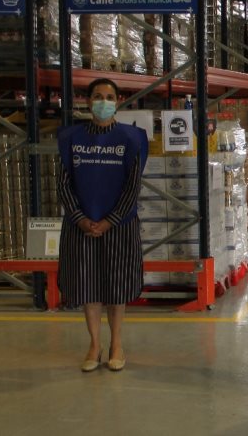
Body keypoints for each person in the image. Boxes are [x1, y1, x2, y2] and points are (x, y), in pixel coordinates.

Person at [57, 78, 149, 373]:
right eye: (98, 96)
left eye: (109, 96)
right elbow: (63, 183)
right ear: (88, 101)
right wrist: (80, 218)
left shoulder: (132, 139)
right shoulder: (71, 138)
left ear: (118, 100)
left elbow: (133, 186)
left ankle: (116, 343)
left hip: (119, 225)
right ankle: (95, 344)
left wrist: (110, 221)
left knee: (116, 285)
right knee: (88, 285)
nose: (104, 101)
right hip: (80, 224)